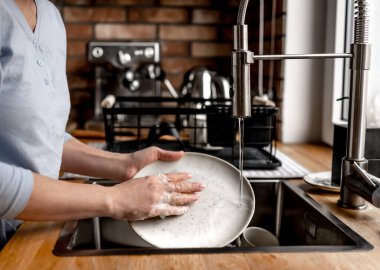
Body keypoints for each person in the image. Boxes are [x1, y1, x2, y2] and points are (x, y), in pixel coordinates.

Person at [0, 0, 204, 250]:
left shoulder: (50, 16)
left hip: (28, 232)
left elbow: (40, 139)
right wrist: (114, 199)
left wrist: (124, 165)